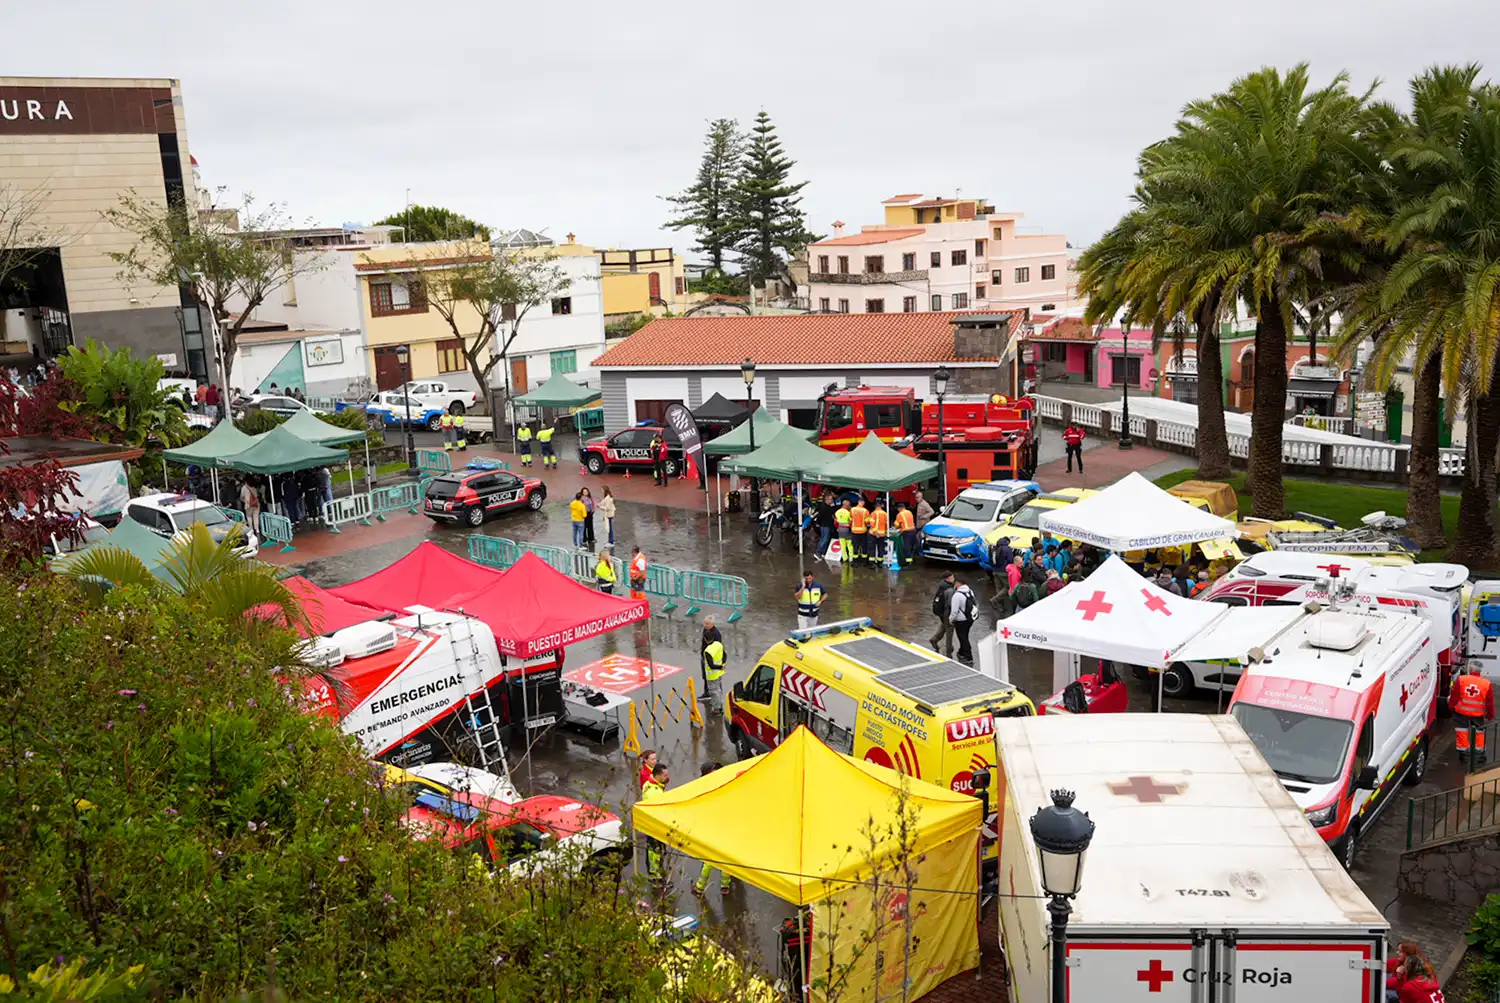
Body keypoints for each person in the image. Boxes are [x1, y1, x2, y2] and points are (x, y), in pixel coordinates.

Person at [692, 763, 734, 896]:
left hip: (715, 827)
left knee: (710, 859)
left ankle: (700, 887)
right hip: (724, 826)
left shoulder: (705, 787)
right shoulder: (722, 785)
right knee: (725, 858)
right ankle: (724, 886)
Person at [1450, 667, 1494, 762]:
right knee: (1479, 732)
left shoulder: (1462, 679)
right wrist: (1490, 714)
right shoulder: (1486, 683)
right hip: (1477, 714)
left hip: (1461, 712)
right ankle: (1479, 754)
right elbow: (1489, 702)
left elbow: (1455, 695)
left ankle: (1464, 754)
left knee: (1462, 731)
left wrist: (1451, 706)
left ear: (1470, 670)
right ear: (1480, 671)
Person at [640, 763, 670, 882]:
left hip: (653, 824)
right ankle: (654, 875)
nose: (667, 777)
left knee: (656, 849)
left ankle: (656, 871)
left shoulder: (650, 784)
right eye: (664, 775)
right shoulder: (654, 793)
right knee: (655, 850)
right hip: (655, 825)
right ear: (657, 775)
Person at [950, 580, 978, 663]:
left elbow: (954, 611)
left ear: (958, 584)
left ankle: (968, 656)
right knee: (965, 635)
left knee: (963, 638)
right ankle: (961, 652)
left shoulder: (957, 595)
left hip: (961, 620)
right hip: (969, 619)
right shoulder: (970, 591)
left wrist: (951, 619)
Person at [930, 572, 956, 656]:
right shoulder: (948, 589)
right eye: (952, 577)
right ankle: (949, 649)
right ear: (947, 578)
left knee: (944, 625)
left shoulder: (942, 586)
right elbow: (950, 603)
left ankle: (934, 639)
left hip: (941, 612)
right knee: (949, 630)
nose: (954, 579)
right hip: (946, 612)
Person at [701, 636, 726, 710]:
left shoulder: (708, 651)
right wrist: (722, 665)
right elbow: (724, 655)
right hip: (719, 672)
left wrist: (720, 667)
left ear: (705, 639)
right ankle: (720, 703)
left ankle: (717, 709)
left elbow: (711, 665)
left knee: (714, 692)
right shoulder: (718, 644)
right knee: (718, 689)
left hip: (712, 675)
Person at [814, 493, 836, 557]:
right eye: (831, 499)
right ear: (827, 499)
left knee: (825, 539)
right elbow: (820, 516)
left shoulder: (828, 506)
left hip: (827, 525)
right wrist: (818, 523)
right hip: (825, 525)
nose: (832, 501)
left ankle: (824, 553)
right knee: (824, 539)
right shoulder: (824, 507)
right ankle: (817, 553)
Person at [849, 496, 869, 563]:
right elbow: (867, 522)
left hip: (854, 531)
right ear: (863, 502)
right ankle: (864, 561)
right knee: (864, 547)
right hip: (863, 531)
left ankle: (855, 562)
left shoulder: (852, 509)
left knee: (855, 546)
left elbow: (850, 520)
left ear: (858, 502)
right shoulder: (865, 511)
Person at [869, 500, 889, 565]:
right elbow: (886, 524)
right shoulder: (885, 513)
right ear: (881, 506)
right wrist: (885, 532)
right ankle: (880, 562)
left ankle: (872, 563)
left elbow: (871, 524)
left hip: (874, 534)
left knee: (872, 549)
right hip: (882, 534)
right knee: (881, 548)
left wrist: (875, 532)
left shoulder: (873, 513)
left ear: (875, 506)